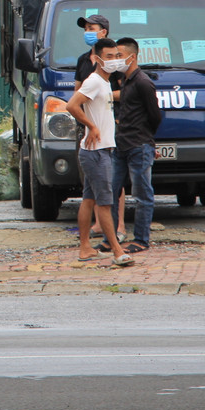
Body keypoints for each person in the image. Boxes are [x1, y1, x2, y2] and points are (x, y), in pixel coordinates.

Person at [66, 39, 133, 267]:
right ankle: (116, 250)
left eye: (117, 56)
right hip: (96, 152)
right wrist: (91, 127)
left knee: (89, 199)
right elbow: (72, 105)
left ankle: (85, 248)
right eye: (110, 56)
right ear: (96, 58)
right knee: (105, 203)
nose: (115, 60)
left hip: (98, 150)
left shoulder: (105, 83)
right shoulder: (94, 81)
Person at [106, 37, 162, 255]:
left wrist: (146, 139)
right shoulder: (125, 81)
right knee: (111, 192)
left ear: (132, 57)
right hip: (121, 146)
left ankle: (141, 239)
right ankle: (109, 239)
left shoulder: (142, 82)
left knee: (142, 195)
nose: (116, 61)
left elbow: (155, 115)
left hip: (138, 146)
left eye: (119, 56)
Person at [73, 15, 126, 240]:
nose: (87, 31)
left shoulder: (111, 65)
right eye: (86, 28)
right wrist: (90, 123)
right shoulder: (88, 67)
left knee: (111, 186)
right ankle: (110, 243)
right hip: (92, 134)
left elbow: (127, 92)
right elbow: (75, 99)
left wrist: (104, 98)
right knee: (98, 193)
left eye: (91, 28)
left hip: (108, 128)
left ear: (103, 31)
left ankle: (119, 227)